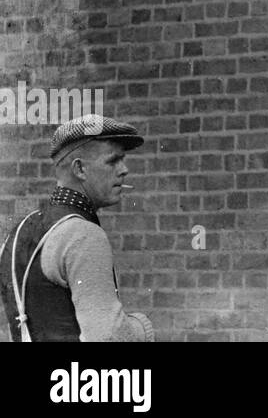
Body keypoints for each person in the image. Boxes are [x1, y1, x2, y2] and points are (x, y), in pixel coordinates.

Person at [0, 114, 154, 341]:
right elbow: (108, 338)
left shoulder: (20, 230)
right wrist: (142, 327)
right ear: (80, 169)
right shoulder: (83, 234)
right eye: (113, 161)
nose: (124, 170)